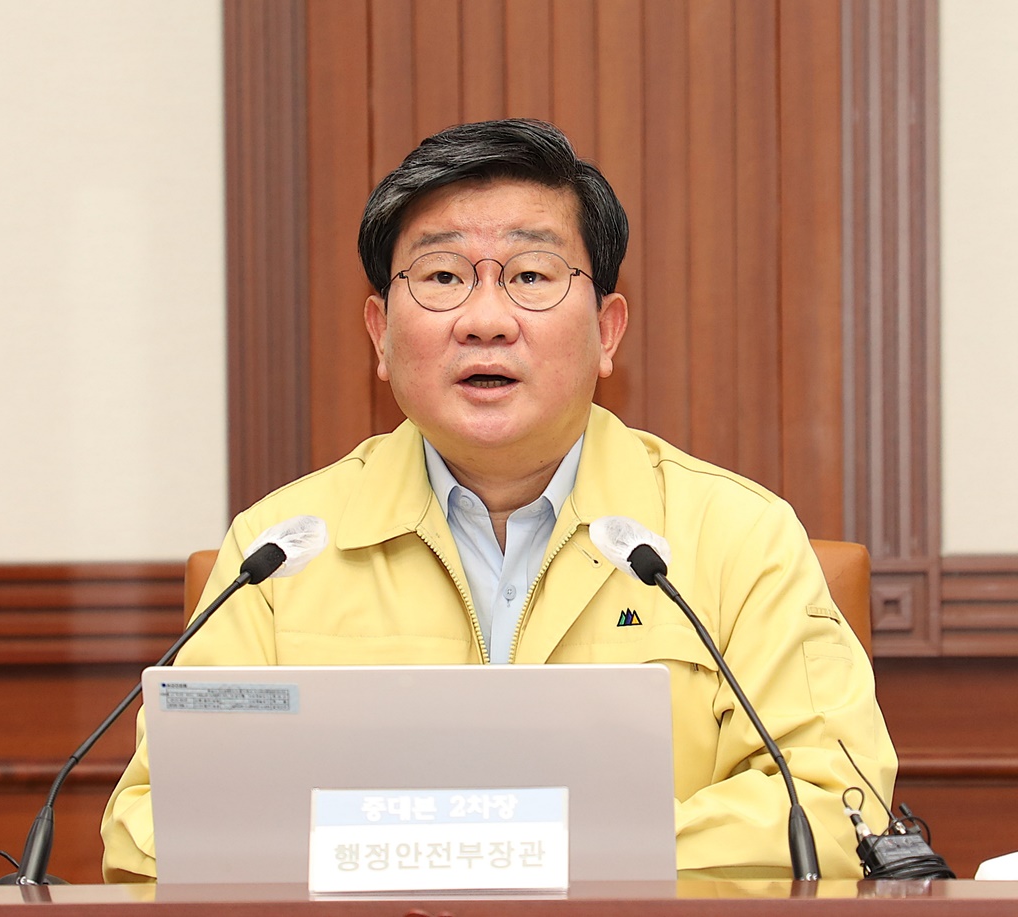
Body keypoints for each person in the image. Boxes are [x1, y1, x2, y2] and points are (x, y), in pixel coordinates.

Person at [101, 118, 897, 882]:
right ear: (379, 333)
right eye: (443, 276)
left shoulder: (735, 537)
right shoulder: (278, 552)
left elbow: (835, 805)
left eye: (531, 276)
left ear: (608, 331)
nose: (486, 319)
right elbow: (149, 828)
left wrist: (533, 852)